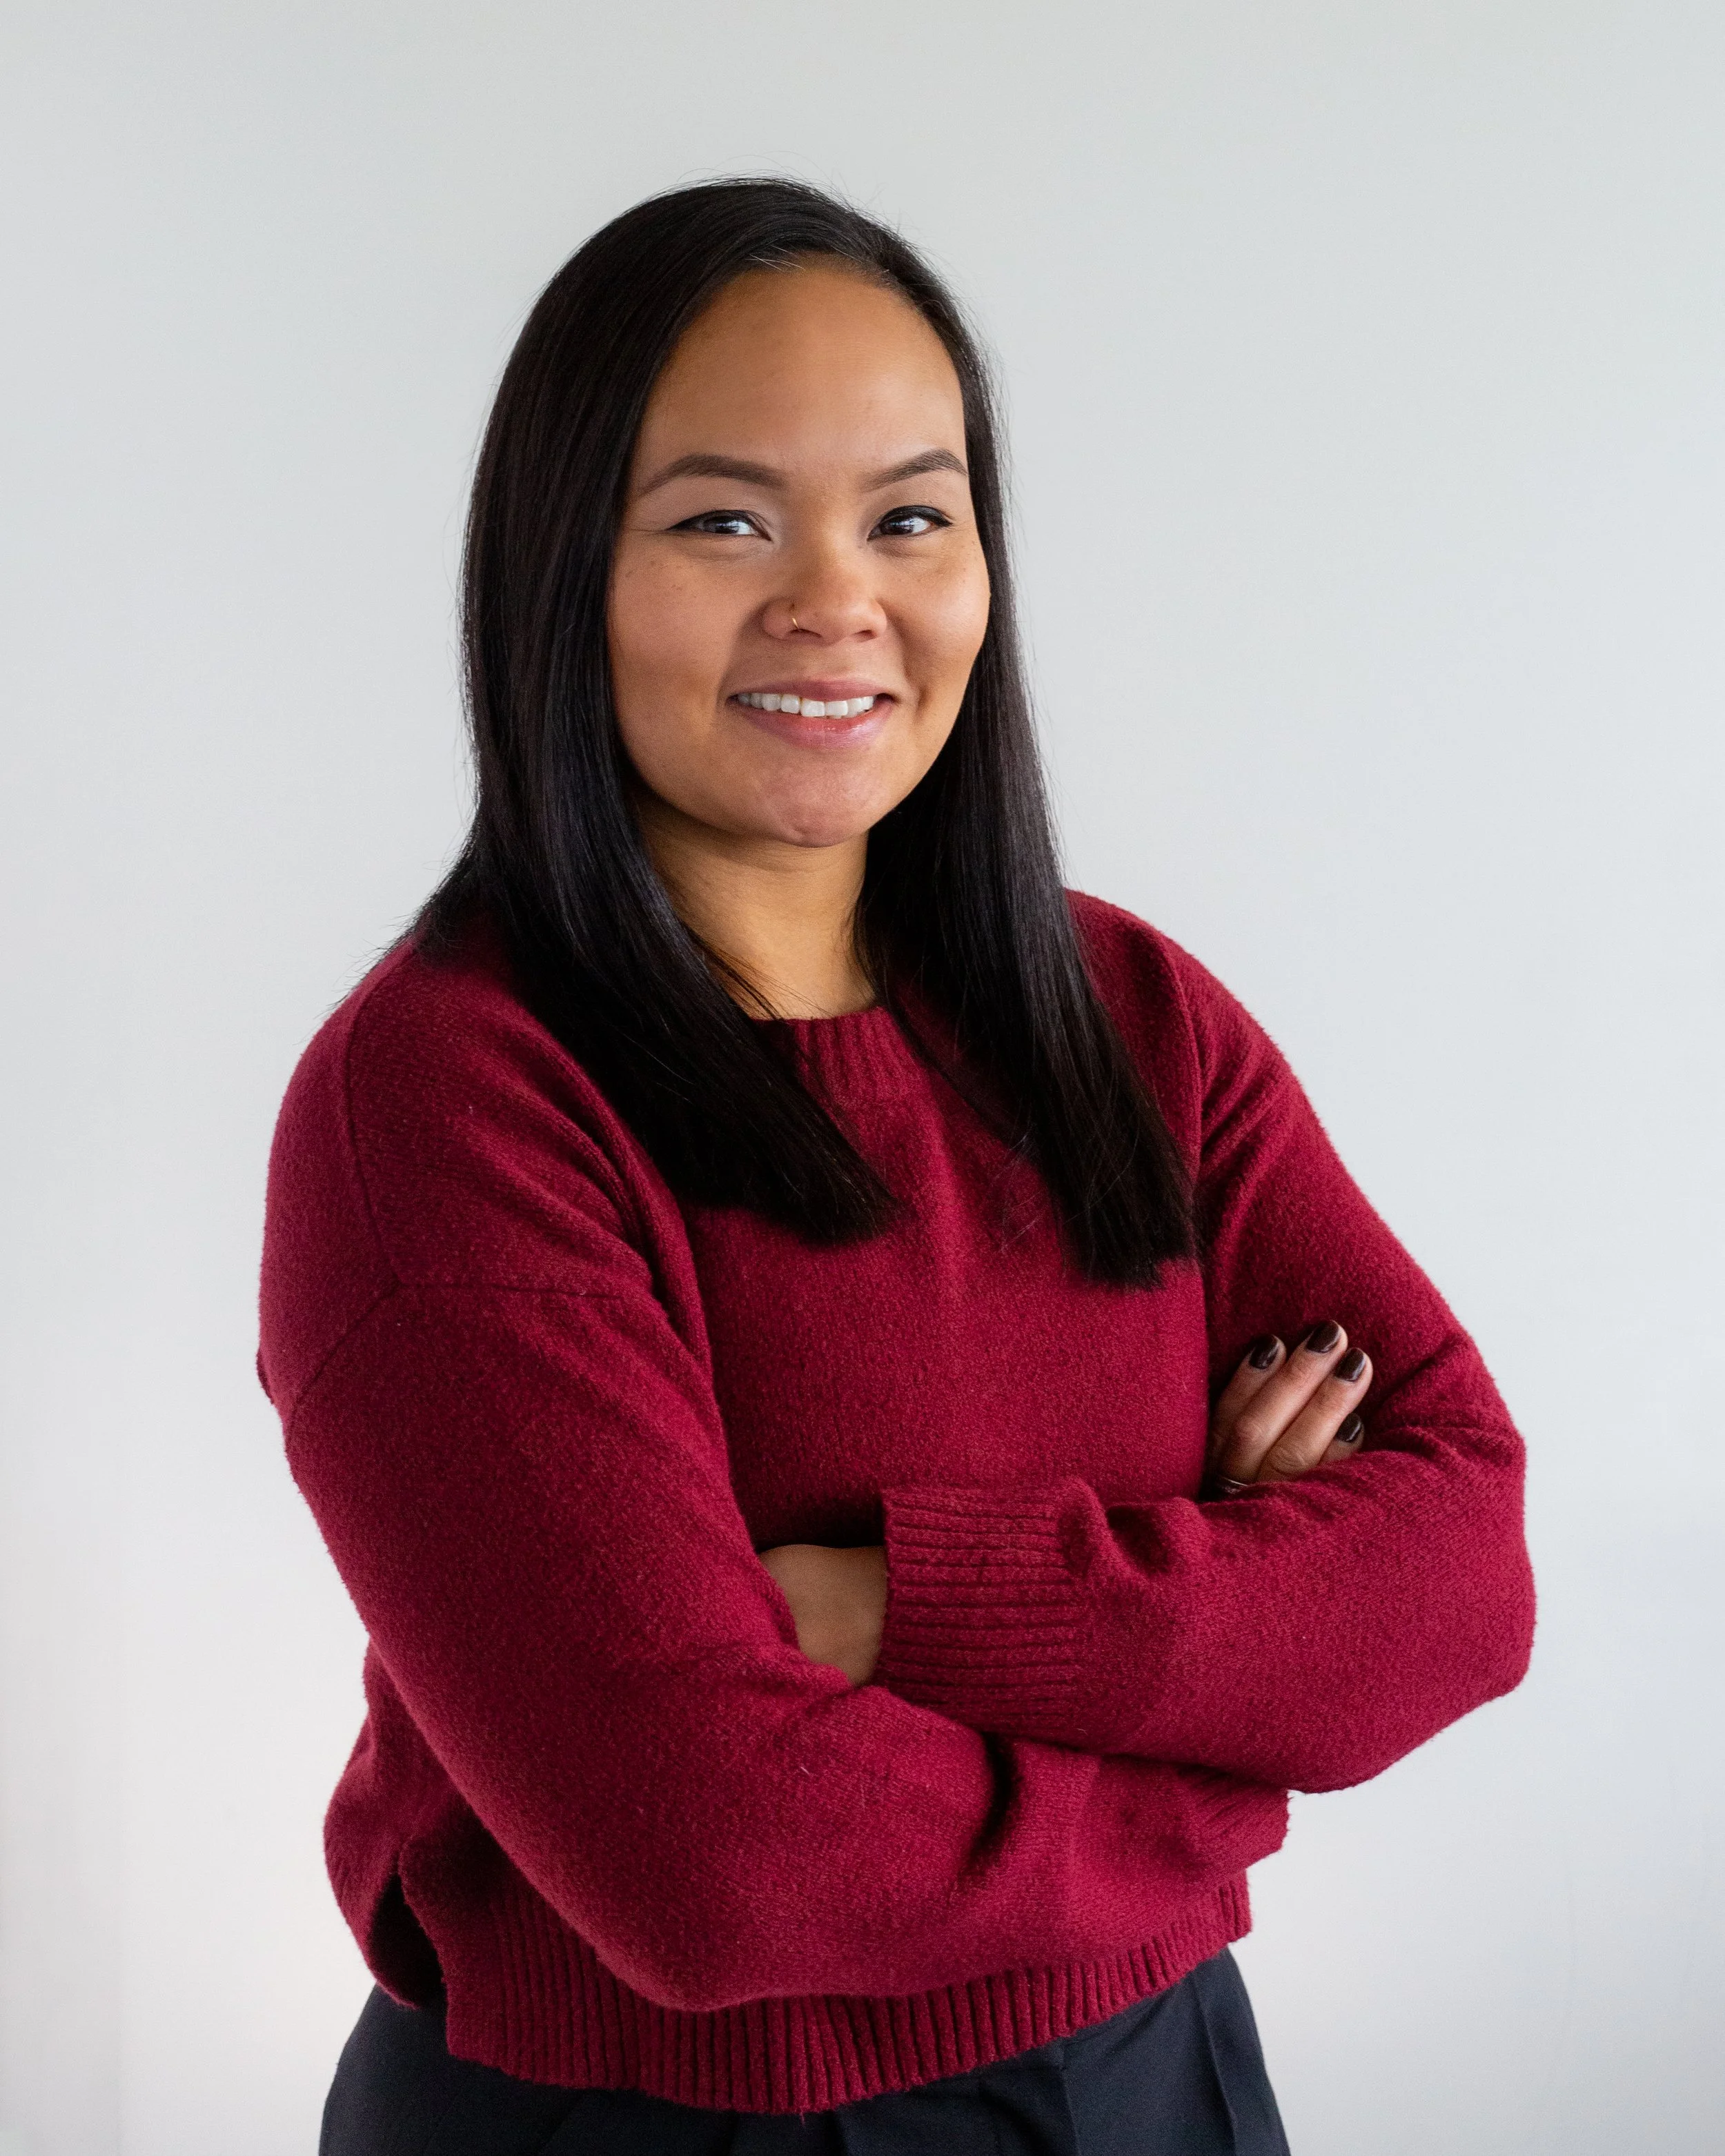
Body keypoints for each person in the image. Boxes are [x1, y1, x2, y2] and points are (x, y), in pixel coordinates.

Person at [258, 178, 1536, 2155]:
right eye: (720, 518)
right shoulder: (440, 1102)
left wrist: (914, 1608)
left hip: (1158, 2083)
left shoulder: (1128, 1017)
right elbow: (718, 1864)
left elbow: (1457, 1576)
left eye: (909, 515)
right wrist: (1228, 1716)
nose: (833, 599)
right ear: (557, 567)